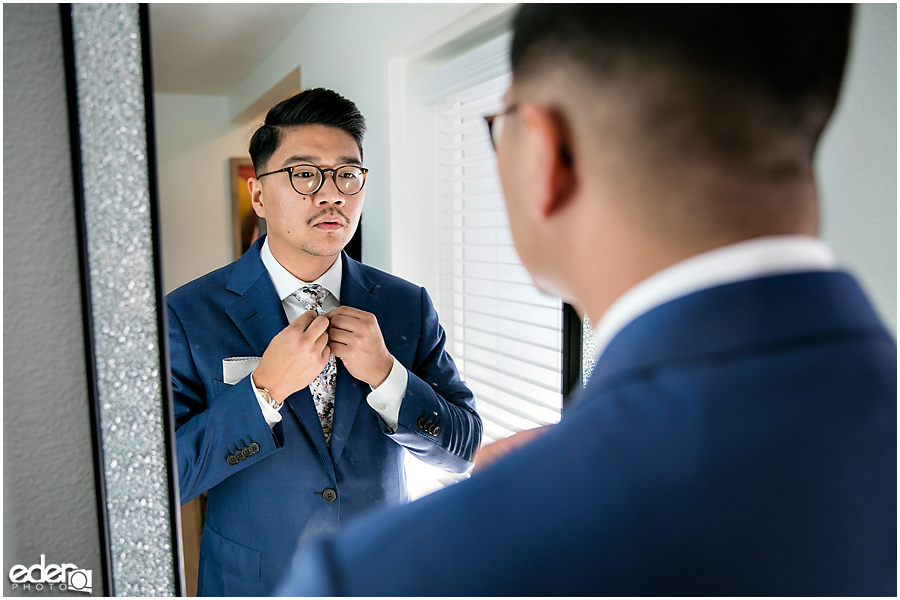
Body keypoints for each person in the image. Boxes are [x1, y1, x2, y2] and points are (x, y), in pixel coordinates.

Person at [276, 5, 896, 596]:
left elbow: (459, 435)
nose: (331, 194)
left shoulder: (383, 580)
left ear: (544, 154)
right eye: (306, 175)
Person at [167, 88, 482, 596]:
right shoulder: (188, 313)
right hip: (256, 583)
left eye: (347, 174)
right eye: (304, 173)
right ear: (259, 196)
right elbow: (166, 478)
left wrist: (388, 376)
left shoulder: (406, 306)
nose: (331, 193)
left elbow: (462, 449)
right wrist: (264, 389)